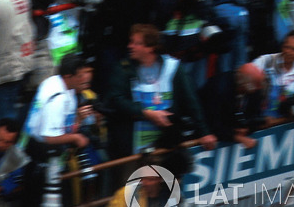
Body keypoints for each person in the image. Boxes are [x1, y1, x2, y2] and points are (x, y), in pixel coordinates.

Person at [105, 24, 217, 159]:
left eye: (137, 43)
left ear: (150, 48)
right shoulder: (123, 68)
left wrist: (204, 132)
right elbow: (115, 99)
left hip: (167, 143)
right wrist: (146, 113)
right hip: (132, 145)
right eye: (131, 42)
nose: (130, 46)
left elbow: (190, 101)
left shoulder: (173, 67)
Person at [95, 151, 198, 207]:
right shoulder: (127, 193)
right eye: (143, 177)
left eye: (150, 179)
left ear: (160, 179)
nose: (145, 182)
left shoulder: (172, 196)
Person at [22, 53, 94, 162]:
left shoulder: (55, 82)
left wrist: (78, 119)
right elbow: (49, 137)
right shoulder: (57, 99)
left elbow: (66, 128)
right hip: (39, 152)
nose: (84, 79)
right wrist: (76, 138)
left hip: (44, 147)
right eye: (80, 76)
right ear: (68, 76)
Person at [248, 30, 294, 118]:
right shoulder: (265, 61)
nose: (289, 52)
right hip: (260, 121)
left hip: (286, 122)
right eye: (287, 47)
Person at [199, 62, 266, 148]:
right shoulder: (218, 89)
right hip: (212, 127)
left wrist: (247, 128)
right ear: (244, 85)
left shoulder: (255, 89)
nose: (259, 88)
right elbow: (213, 124)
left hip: (230, 126)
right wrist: (237, 137)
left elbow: (255, 115)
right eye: (256, 86)